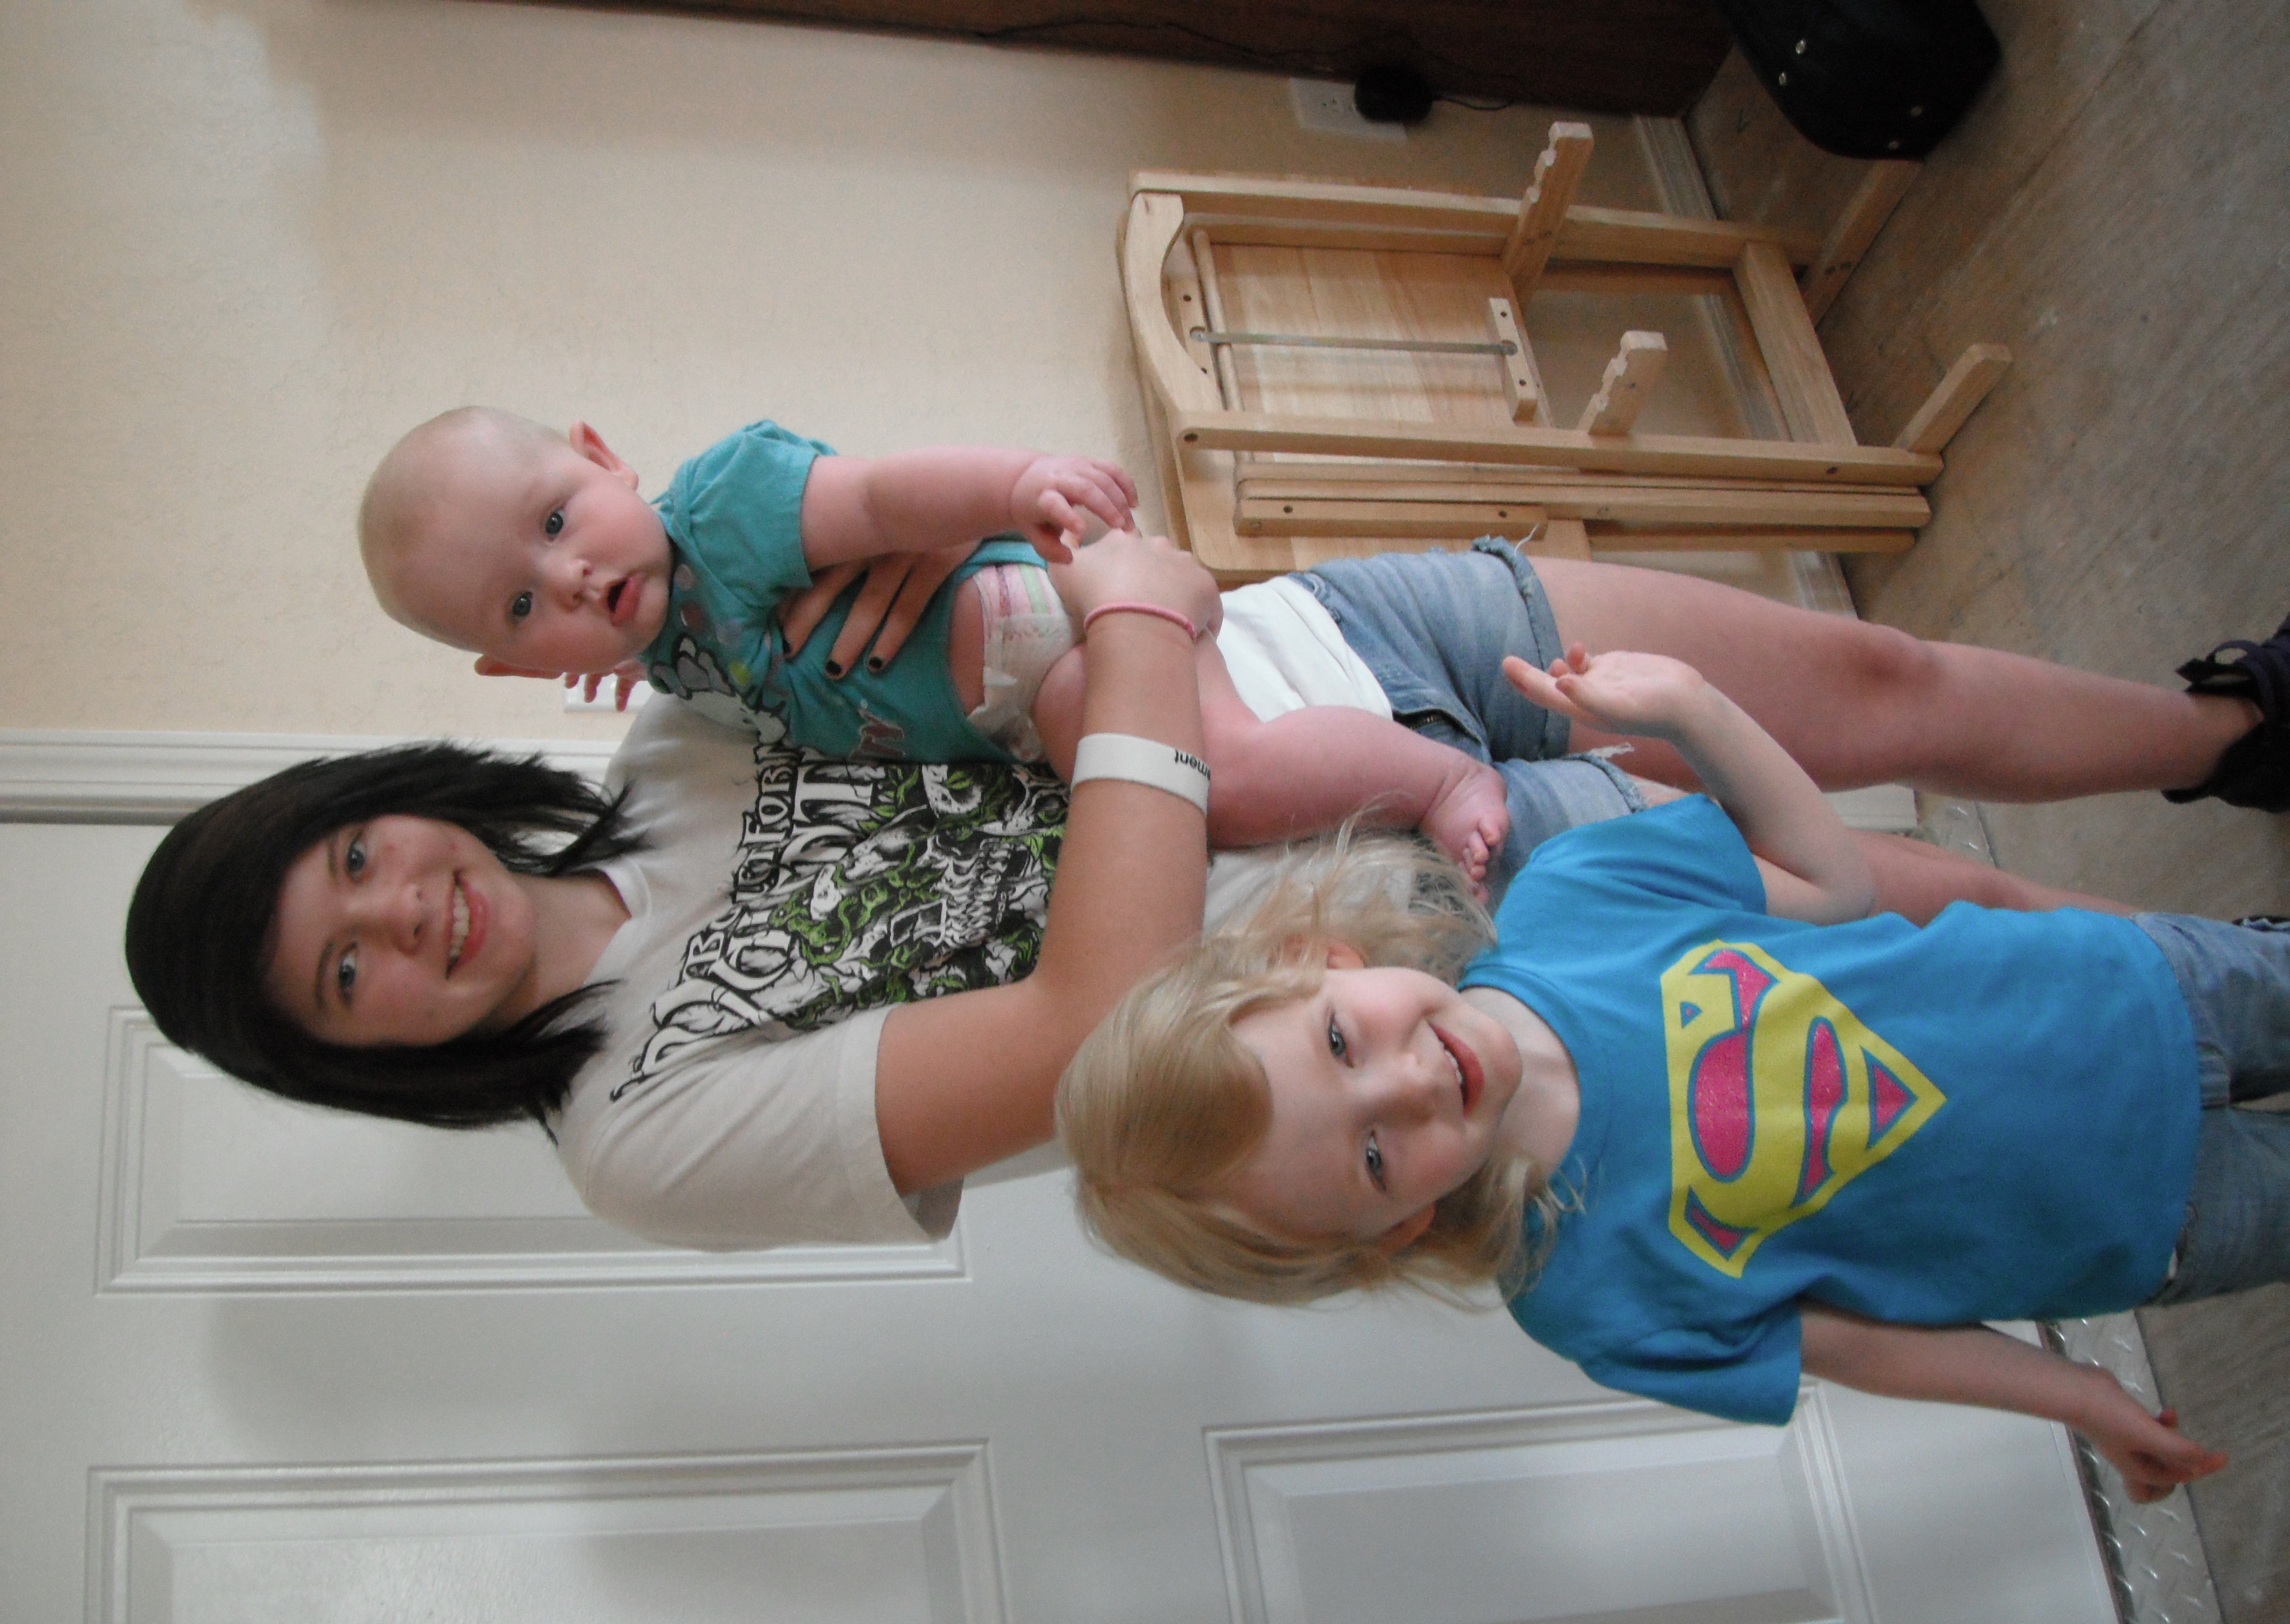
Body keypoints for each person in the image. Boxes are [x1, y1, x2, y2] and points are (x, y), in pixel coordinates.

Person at [126, 523, 2285, 1255]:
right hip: (1416, 939)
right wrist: (1141, 638)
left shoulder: (678, 739)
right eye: (344, 975)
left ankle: (2227, 730)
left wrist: (1018, 565)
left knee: (1878, 684)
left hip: (1334, 646)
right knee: (1893, 907)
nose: (402, 916)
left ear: (381, 800)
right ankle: (2238, 980)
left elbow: (994, 587)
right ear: (359, 1054)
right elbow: (1093, 1029)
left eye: (354, 860)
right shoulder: (643, 1130)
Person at [1059, 642, 2289, 1503]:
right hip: (2151, 1223)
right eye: (1372, 1155)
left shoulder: (1574, 895)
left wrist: (1694, 710)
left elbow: (1836, 886)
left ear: (1320, 962)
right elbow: (1865, 1347)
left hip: (2129, 989)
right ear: (1395, 1230)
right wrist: (2079, 1398)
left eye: (1338, 1043)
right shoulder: (1589, 1302)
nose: (1404, 1085)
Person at [358, 409, 1513, 880]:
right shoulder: (664, 652)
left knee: (1225, 786)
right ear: (514, 668)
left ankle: (1439, 779)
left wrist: (1016, 486)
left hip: (1045, 611)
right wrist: (631, 660)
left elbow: (878, 498)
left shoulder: (722, 508)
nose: (568, 576)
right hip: (1028, 699)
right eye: (521, 606)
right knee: (1172, 797)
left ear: (604, 457)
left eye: (556, 521)